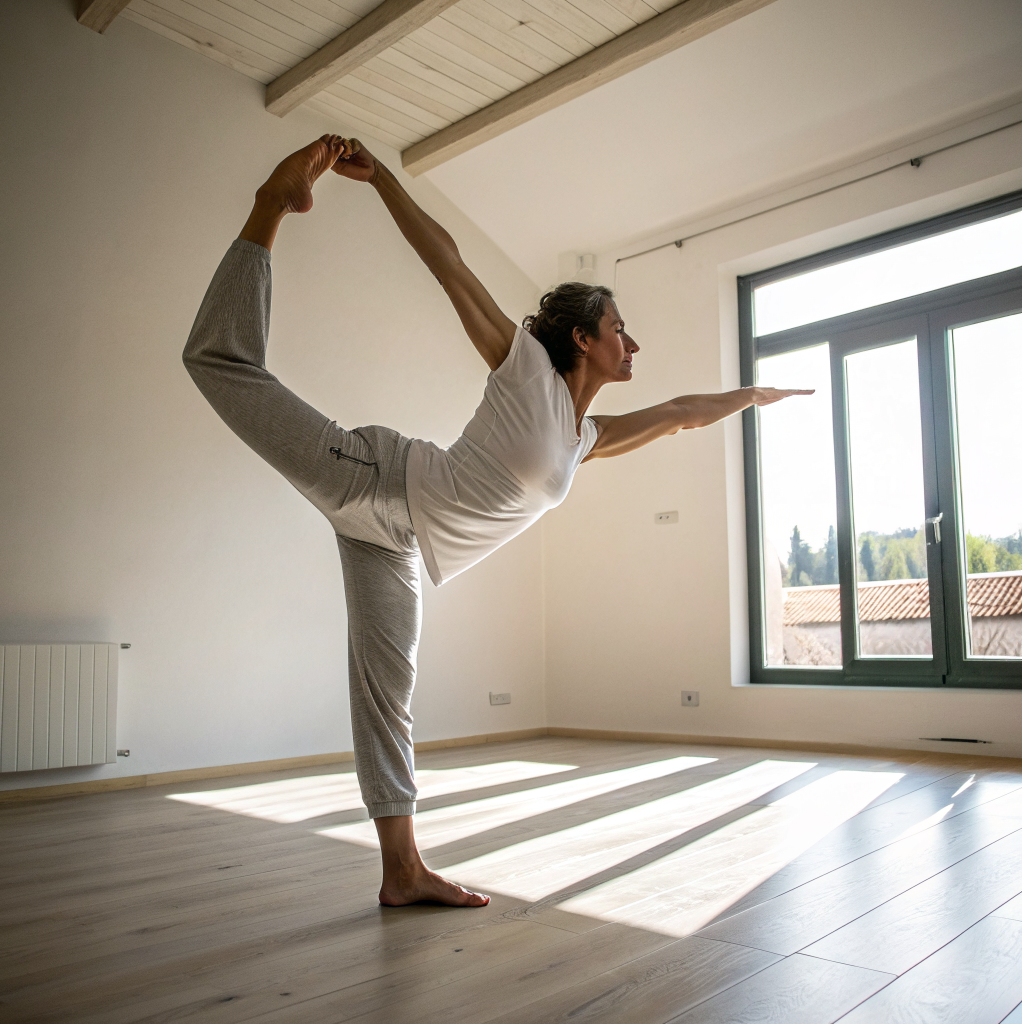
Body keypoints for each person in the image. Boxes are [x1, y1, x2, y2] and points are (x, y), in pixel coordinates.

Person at [183, 135, 811, 909]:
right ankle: (270, 204)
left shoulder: (584, 439)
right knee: (220, 360)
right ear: (582, 339)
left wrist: (749, 396)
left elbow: (680, 415)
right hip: (375, 477)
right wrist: (381, 180)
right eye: (620, 329)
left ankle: (401, 870)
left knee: (387, 698)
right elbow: (448, 262)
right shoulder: (526, 371)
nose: (632, 342)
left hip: (394, 544)